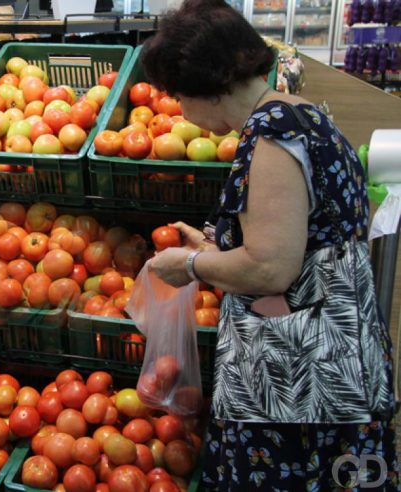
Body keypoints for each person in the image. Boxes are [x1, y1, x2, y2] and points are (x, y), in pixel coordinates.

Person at [140, 0, 400, 490]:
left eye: (178, 93)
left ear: (207, 84)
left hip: (302, 386)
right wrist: (218, 248)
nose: (179, 108)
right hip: (341, 364)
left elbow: (271, 268)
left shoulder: (272, 133)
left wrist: (193, 265)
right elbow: (305, 239)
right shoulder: (301, 116)